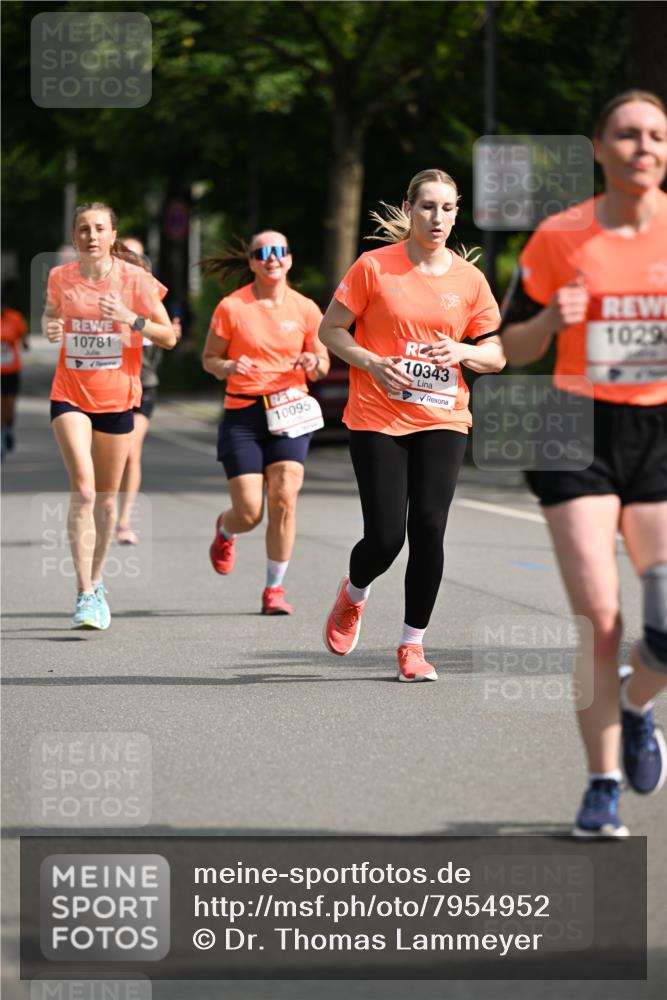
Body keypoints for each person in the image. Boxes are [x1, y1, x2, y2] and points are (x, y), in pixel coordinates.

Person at [501, 90, 667, 837]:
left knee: (662, 627)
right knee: (599, 620)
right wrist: (548, 320)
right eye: (627, 135)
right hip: (575, 427)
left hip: (659, 429)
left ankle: (635, 703)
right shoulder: (559, 236)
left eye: (656, 136)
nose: (643, 147)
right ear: (598, 149)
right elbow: (509, 346)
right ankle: (600, 786)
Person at [318, 168, 504, 681]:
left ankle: (412, 646)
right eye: (427, 206)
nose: (437, 217)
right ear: (409, 208)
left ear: (457, 212)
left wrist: (464, 349)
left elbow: (496, 355)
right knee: (384, 538)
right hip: (378, 414)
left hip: (443, 415)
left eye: (447, 208)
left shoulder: (470, 281)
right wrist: (371, 361)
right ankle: (353, 593)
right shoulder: (374, 267)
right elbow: (330, 329)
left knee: (429, 527)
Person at [42, 202, 177, 629]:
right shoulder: (59, 277)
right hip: (70, 394)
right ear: (74, 235)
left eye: (100, 228)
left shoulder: (136, 280)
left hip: (119, 399)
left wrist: (131, 319)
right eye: (83, 229)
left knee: (105, 497)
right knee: (83, 490)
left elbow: (169, 337)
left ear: (113, 235)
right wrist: (51, 325)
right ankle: (84, 592)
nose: (92, 236)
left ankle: (98, 581)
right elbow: (51, 315)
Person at [202, 230, 330, 615]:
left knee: (284, 496)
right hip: (244, 413)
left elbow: (322, 363)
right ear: (253, 262)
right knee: (250, 512)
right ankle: (226, 530)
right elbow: (209, 358)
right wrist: (227, 365)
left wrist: (314, 363)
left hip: (291, 411)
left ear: (289, 259)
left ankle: (274, 589)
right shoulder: (231, 307)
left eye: (279, 251)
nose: (272, 258)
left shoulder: (307, 309)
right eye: (263, 252)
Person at [115, 237, 183, 545]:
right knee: (107, 453)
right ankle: (99, 509)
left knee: (131, 450)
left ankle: (124, 519)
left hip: (144, 382)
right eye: (126, 254)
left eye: (138, 257)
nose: (133, 261)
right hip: (107, 383)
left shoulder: (148, 292)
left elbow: (165, 335)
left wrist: (168, 334)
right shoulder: (102, 293)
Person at [1, 282, 29, 461]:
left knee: (9, 406)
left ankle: (8, 429)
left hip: (11, 370)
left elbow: (24, 341)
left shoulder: (15, 318)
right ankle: (1, 441)